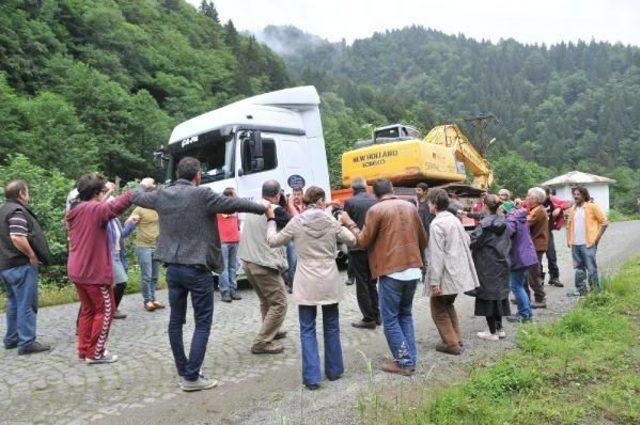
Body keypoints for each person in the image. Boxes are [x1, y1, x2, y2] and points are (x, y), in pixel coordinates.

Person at [132, 157, 266, 392]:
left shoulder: (162, 194)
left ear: (178, 173)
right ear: (198, 175)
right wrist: (263, 207)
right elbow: (235, 204)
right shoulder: (202, 195)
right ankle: (192, 377)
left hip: (173, 268)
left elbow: (135, 196)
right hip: (197, 268)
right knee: (202, 323)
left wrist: (143, 184)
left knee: (176, 321)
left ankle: (184, 370)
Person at [265, 186, 356, 390]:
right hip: (329, 278)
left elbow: (273, 241)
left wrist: (271, 222)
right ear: (322, 201)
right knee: (332, 325)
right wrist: (342, 223)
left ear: (306, 201)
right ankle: (334, 371)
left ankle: (312, 378)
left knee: (307, 329)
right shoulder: (329, 220)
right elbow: (351, 239)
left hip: (306, 279)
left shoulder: (297, 221)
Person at [340, 179, 427, 376]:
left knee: (391, 320)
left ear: (375, 194)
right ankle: (409, 359)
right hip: (413, 268)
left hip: (391, 271)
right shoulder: (410, 207)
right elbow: (423, 238)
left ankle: (404, 362)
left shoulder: (376, 210)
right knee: (405, 315)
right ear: (392, 190)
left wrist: (349, 223)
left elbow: (362, 241)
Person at [66, 174, 133, 364]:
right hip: (93, 272)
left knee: (88, 311)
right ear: (96, 193)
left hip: (77, 270)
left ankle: (84, 349)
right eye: (102, 191)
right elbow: (114, 207)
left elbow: (102, 206)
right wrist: (134, 193)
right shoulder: (95, 209)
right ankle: (95, 353)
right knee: (105, 310)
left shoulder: (77, 209)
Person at [425, 188, 479, 355]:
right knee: (448, 305)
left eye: (429, 202)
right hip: (458, 272)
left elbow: (436, 255)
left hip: (446, 274)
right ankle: (456, 338)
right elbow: (467, 239)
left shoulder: (437, 224)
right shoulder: (455, 220)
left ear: (434, 204)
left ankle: (451, 344)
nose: (428, 205)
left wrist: (434, 282)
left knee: (438, 309)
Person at [0, 180, 52, 355]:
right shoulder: (17, 211)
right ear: (22, 193)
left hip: (5, 265)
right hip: (20, 265)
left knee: (14, 301)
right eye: (27, 192)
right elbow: (17, 237)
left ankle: (12, 339)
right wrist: (32, 256)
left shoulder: (2, 210)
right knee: (26, 303)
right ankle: (27, 342)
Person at [239, 180, 289, 355]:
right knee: (280, 303)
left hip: (248, 260)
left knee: (266, 301)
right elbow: (293, 224)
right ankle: (262, 342)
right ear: (278, 195)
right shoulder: (275, 209)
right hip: (263, 263)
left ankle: (271, 331)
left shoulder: (254, 206)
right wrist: (287, 204)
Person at [469, 195, 511, 341]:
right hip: (502, 262)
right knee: (499, 297)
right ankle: (500, 329)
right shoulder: (504, 222)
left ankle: (492, 332)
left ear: (485, 206)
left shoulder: (484, 225)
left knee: (487, 297)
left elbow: (474, 242)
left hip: (486, 264)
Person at [344, 177, 379, 329]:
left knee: (362, 284)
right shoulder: (374, 200)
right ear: (365, 187)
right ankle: (377, 316)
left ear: (353, 188)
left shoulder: (350, 202)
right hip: (373, 247)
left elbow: (345, 222)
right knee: (372, 282)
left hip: (357, 247)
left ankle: (368, 318)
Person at [125, 179, 164, 312]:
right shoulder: (139, 208)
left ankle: (153, 299)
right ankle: (147, 301)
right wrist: (131, 220)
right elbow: (127, 222)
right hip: (144, 246)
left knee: (154, 276)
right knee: (146, 276)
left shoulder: (158, 207)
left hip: (156, 246)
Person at [566, 186, 608, 296]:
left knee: (591, 268)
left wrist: (596, 239)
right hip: (575, 244)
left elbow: (604, 223)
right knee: (579, 269)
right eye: (574, 194)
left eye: (578, 194)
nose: (575, 196)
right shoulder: (573, 209)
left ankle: (595, 291)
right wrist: (569, 240)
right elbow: (569, 226)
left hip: (588, 244)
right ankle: (581, 291)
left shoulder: (591, 207)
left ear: (584, 195)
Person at [505, 204, 538, 323]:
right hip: (527, 256)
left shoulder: (511, 219)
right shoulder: (521, 218)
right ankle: (527, 312)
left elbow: (508, 232)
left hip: (519, 257)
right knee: (520, 285)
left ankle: (524, 314)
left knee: (516, 286)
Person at [216, 187, 242, 303]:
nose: (235, 198)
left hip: (234, 240)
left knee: (233, 267)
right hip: (223, 241)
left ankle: (233, 290)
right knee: (224, 268)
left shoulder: (235, 208)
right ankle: (225, 292)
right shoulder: (219, 208)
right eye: (233, 196)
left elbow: (238, 223)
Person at [541, 187, 570, 288]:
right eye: (544, 195)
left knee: (551, 255)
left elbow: (567, 203)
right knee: (536, 257)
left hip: (548, 232)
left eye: (547, 195)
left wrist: (559, 208)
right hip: (535, 233)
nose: (546, 197)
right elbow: (522, 205)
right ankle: (539, 278)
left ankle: (554, 277)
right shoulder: (534, 201)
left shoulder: (552, 201)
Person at [525, 187, 549, 309]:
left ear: (537, 199)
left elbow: (525, 222)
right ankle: (526, 296)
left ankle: (540, 298)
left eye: (530, 197)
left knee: (533, 273)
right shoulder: (535, 209)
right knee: (530, 272)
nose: (527, 198)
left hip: (537, 245)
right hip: (534, 244)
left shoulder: (538, 210)